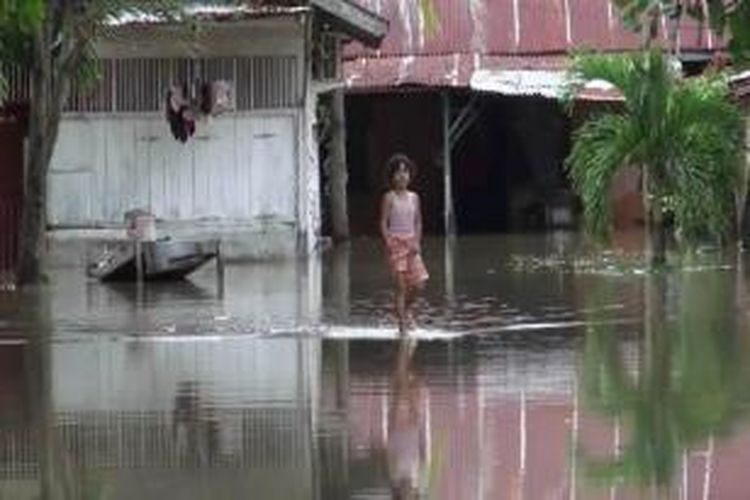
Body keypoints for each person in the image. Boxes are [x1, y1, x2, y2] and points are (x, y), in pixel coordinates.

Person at [379, 154, 429, 334]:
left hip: (412, 245)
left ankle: (406, 310)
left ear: (410, 175)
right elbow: (383, 222)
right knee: (400, 286)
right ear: (392, 176)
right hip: (395, 245)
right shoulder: (389, 197)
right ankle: (402, 328)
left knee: (419, 284)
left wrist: (417, 241)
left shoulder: (414, 197)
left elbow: (418, 222)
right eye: (398, 172)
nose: (402, 176)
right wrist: (388, 241)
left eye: (405, 171)